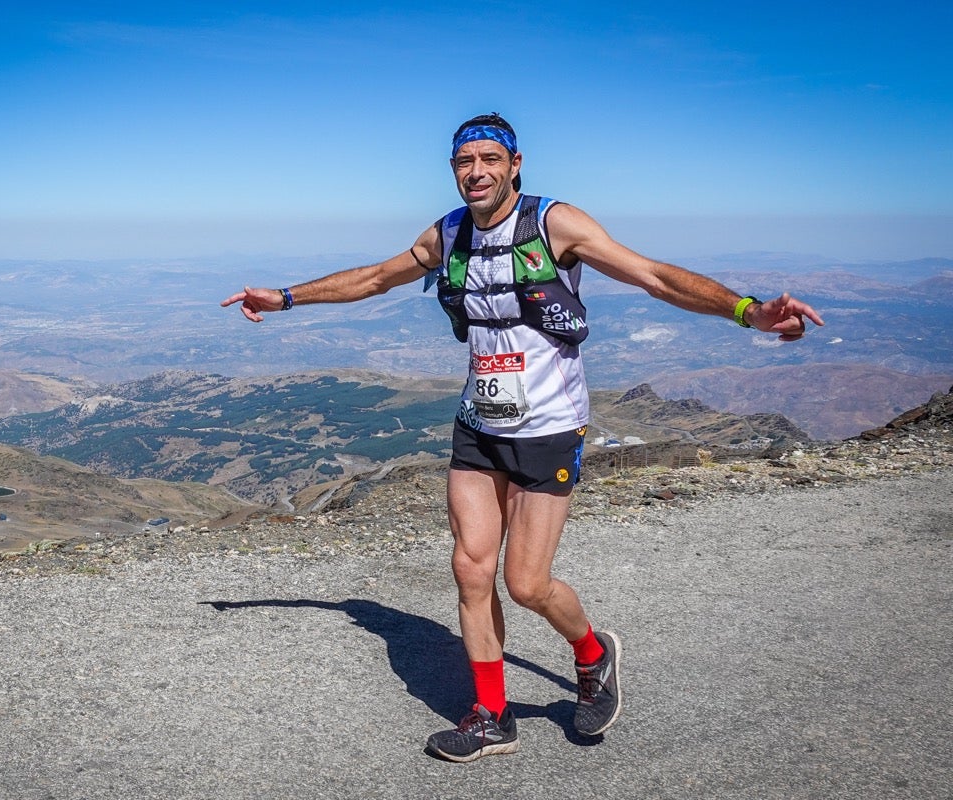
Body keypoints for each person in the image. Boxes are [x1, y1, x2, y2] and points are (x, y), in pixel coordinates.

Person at [221, 113, 824, 762]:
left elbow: (651, 275)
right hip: (479, 426)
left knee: (526, 583)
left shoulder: (553, 225)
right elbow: (372, 278)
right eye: (462, 162)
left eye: (488, 159)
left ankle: (593, 655)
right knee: (469, 569)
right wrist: (285, 298)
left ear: (515, 164)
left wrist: (746, 310)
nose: (474, 171)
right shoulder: (448, 234)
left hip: (548, 429)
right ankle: (491, 716)